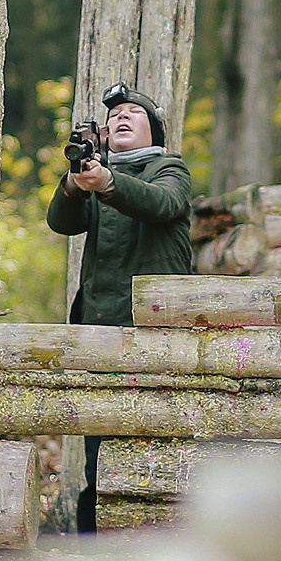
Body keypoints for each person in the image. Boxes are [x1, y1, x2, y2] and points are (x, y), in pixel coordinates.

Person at [46, 82, 193, 532]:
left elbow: (162, 203)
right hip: (99, 330)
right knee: (99, 441)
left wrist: (108, 183)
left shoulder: (170, 168)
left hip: (156, 333)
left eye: (133, 113)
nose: (121, 118)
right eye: (114, 116)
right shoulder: (95, 175)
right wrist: (74, 182)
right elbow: (60, 222)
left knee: (158, 437)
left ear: (155, 131)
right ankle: (94, 541)